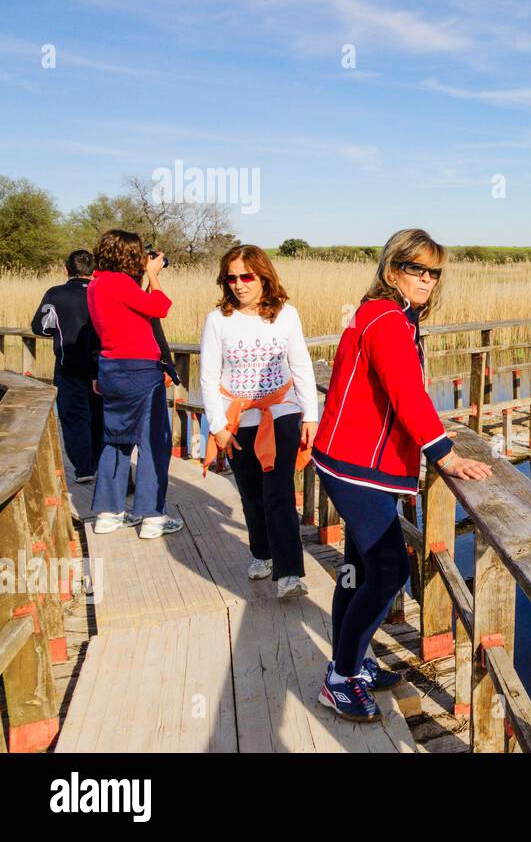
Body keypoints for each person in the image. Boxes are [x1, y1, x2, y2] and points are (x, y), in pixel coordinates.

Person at [311, 229, 491, 722]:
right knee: (389, 570)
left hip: (350, 460)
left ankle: (352, 662)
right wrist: (445, 455)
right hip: (358, 467)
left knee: (359, 567)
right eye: (417, 269)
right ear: (393, 271)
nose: (428, 279)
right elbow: (407, 395)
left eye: (434, 272)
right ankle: (341, 678)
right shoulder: (388, 320)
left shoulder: (384, 315)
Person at [200, 245, 317, 601]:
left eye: (246, 276)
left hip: (280, 411)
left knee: (278, 491)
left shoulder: (286, 315)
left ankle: (290, 574)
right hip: (238, 418)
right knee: (250, 492)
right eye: (231, 277)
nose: (238, 284)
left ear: (263, 276)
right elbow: (208, 376)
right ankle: (262, 554)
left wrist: (310, 414)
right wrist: (218, 426)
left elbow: (301, 365)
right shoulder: (218, 320)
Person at [85, 230, 183, 539]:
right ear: (129, 255)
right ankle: (152, 516)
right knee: (154, 442)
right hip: (139, 370)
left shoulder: (97, 284)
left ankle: (108, 512)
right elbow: (159, 308)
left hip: (111, 368)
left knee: (116, 439)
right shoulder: (119, 282)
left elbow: (130, 314)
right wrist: (153, 277)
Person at [31, 250, 103, 482]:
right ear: (93, 270)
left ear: (66, 269)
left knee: (73, 418)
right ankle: (103, 464)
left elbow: (40, 327)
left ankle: (84, 469)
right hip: (102, 366)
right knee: (99, 416)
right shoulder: (102, 292)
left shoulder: (56, 294)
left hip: (68, 365)